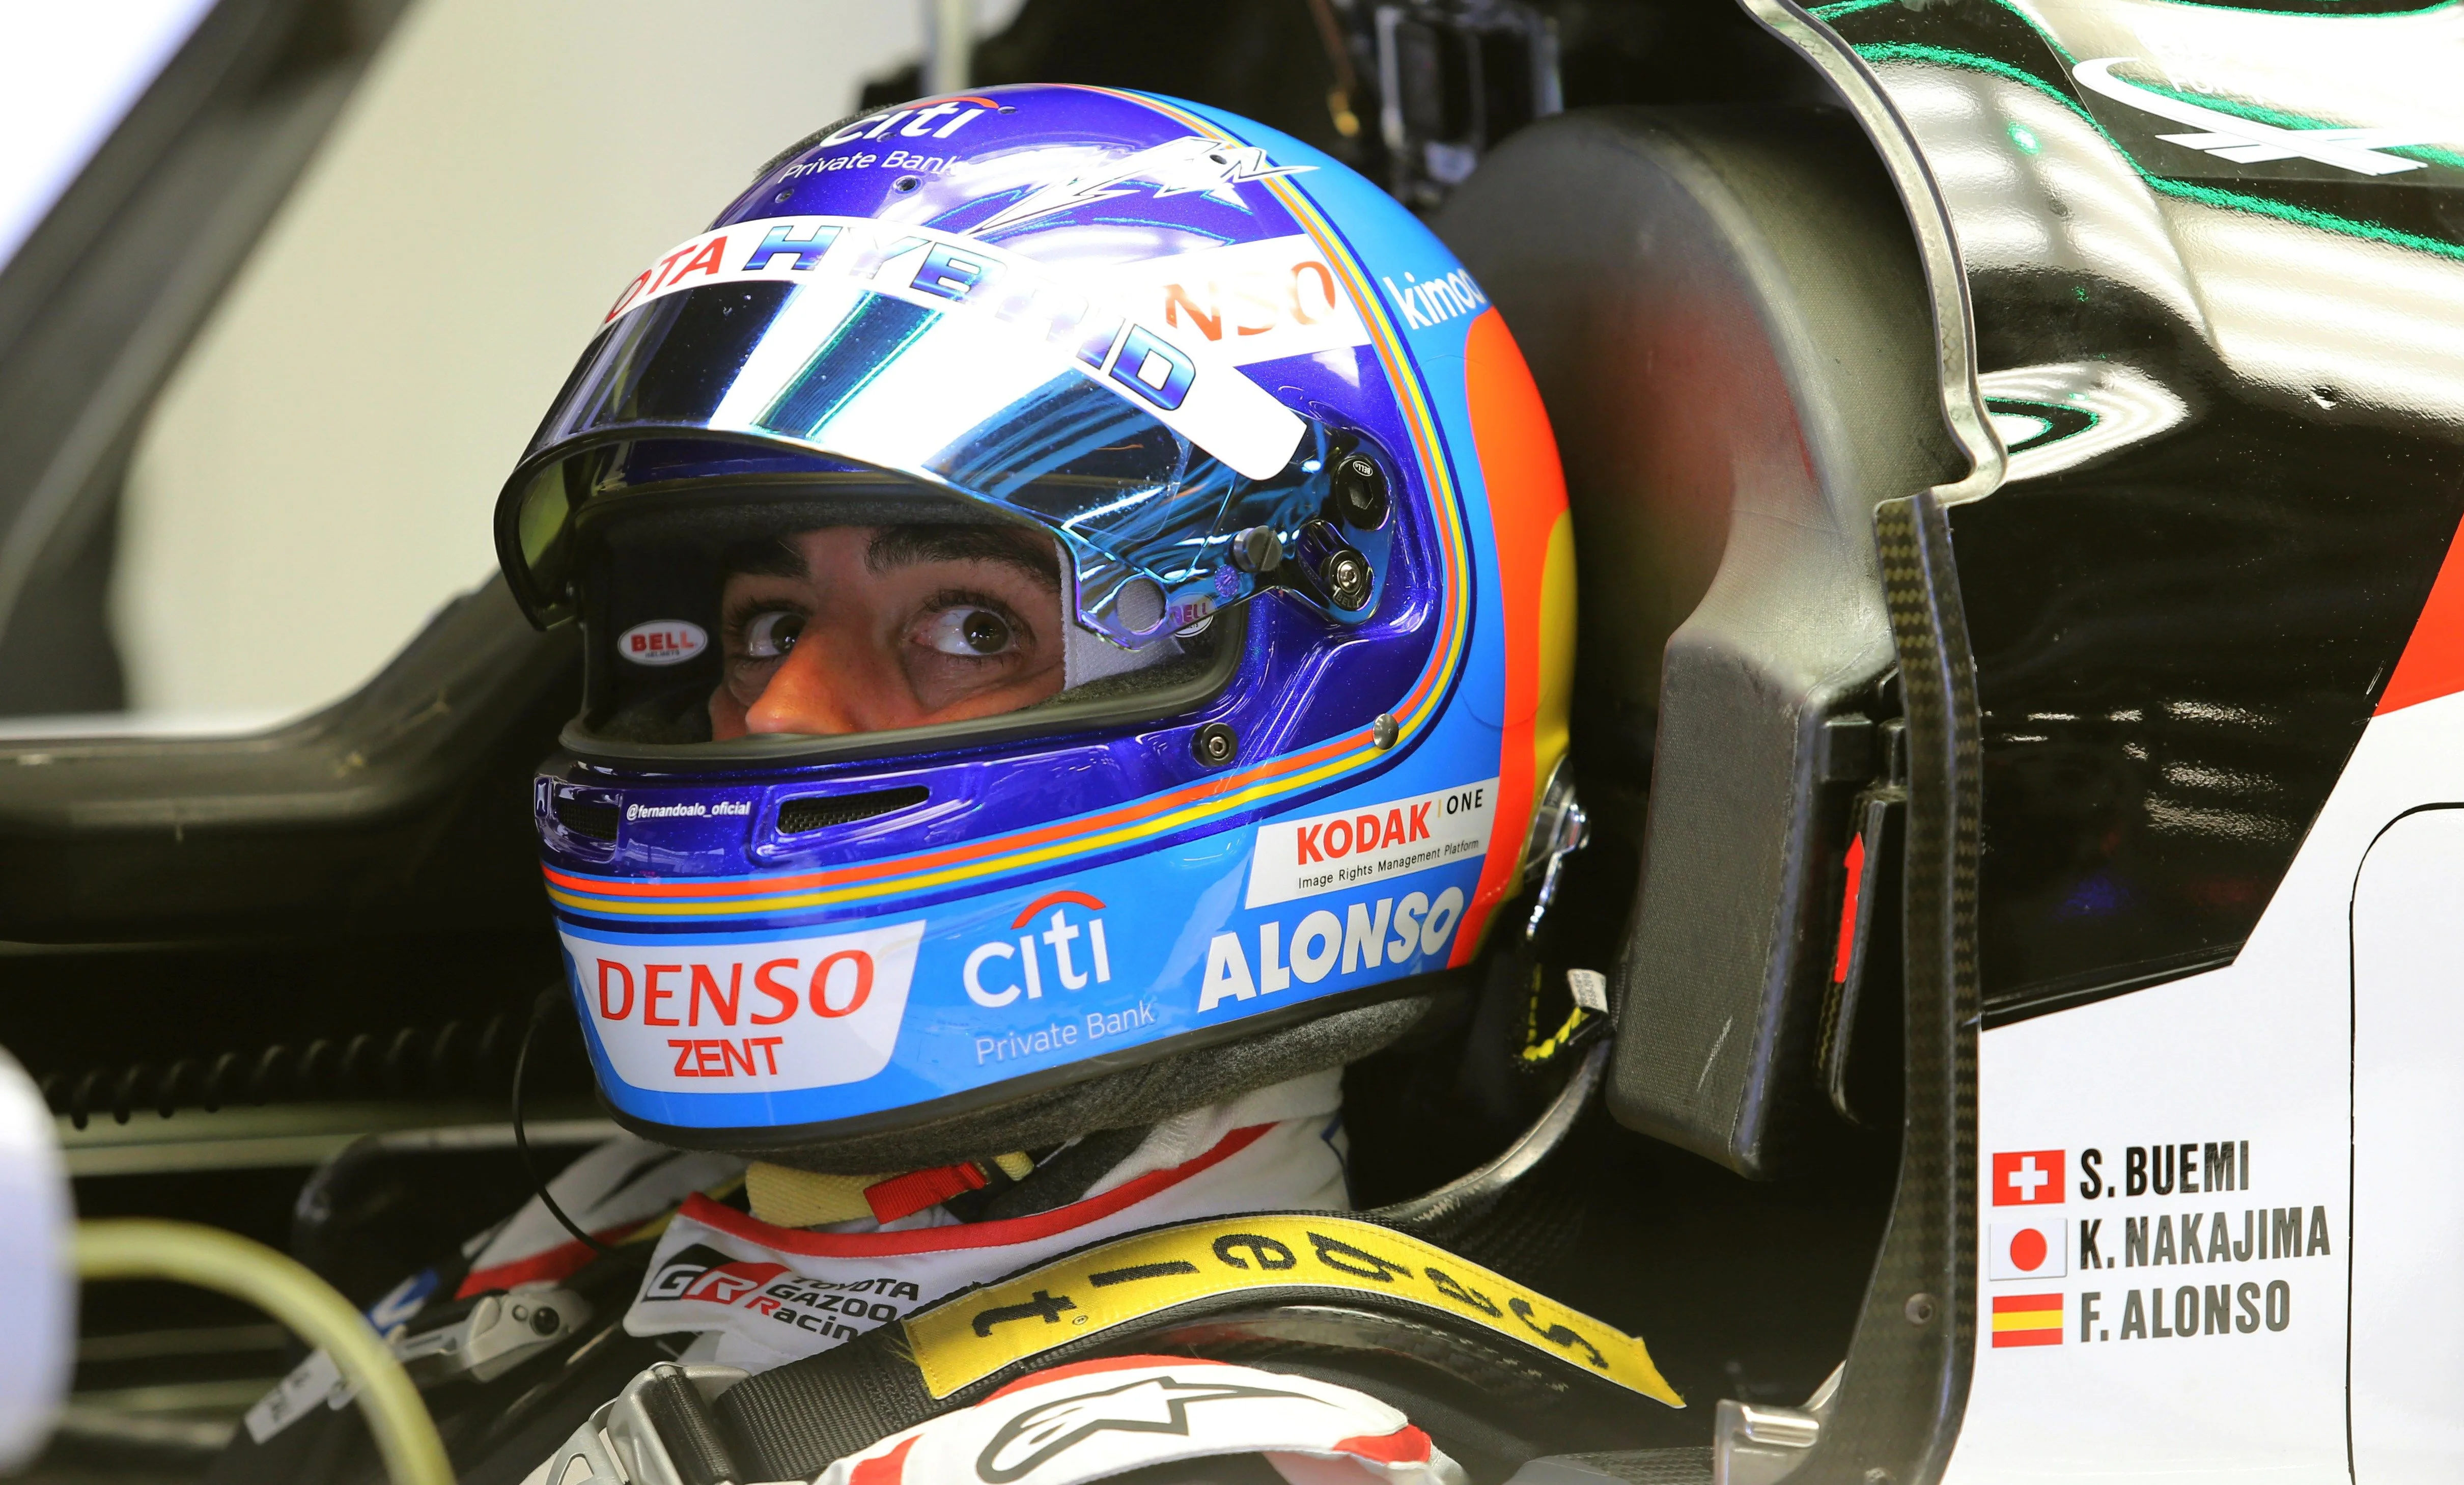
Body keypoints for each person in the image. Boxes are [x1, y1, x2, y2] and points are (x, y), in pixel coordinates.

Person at [213, 84, 1673, 1485]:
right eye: (766, 623)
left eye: (973, 626)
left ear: (1322, 668)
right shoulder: (599, 1224)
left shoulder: (1213, 1454)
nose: (775, 712)